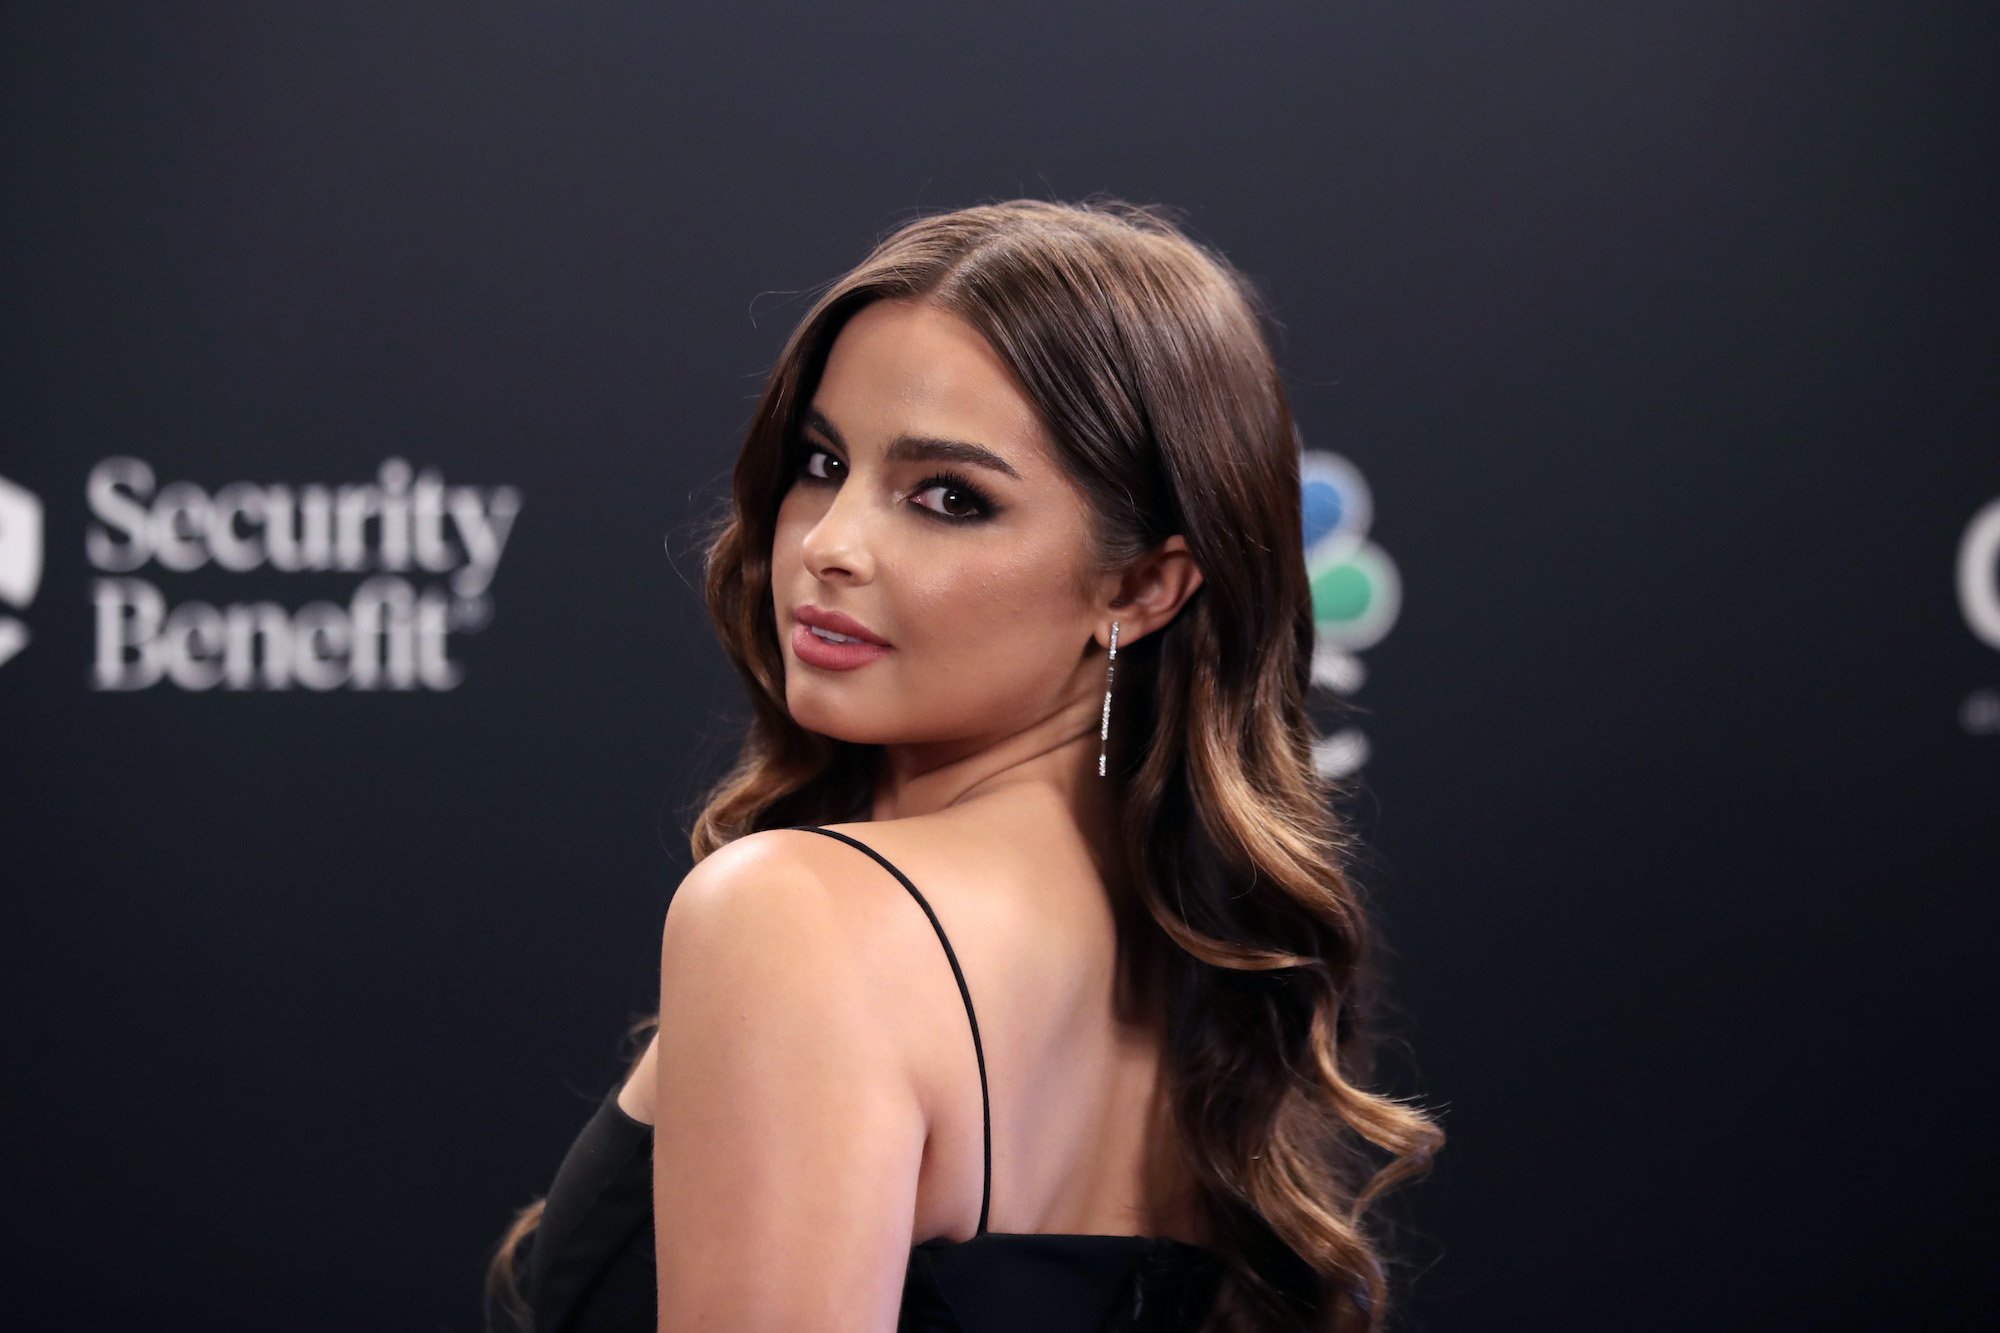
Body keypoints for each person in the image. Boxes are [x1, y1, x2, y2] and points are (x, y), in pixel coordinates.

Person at [485, 197, 1444, 1333]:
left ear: (1141, 586)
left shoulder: (796, 913)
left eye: (949, 498)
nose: (830, 543)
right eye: (820, 461)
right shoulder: (1179, 966)